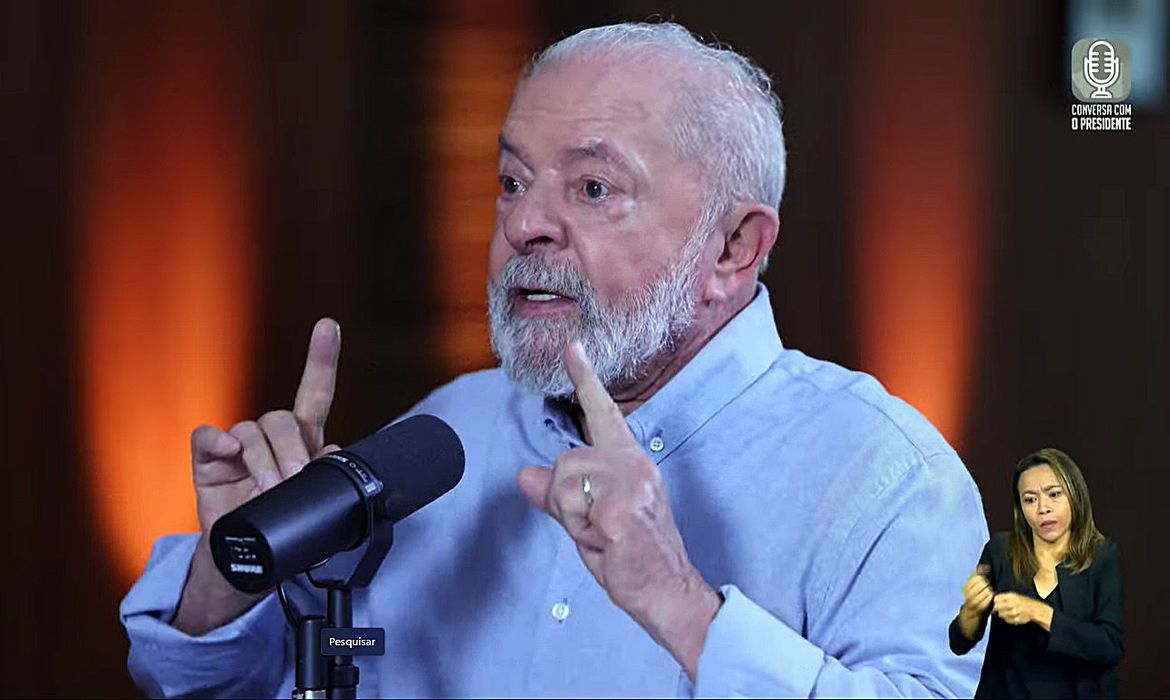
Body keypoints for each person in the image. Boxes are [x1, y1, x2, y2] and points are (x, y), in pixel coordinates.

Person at [121, 22, 989, 697]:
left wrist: (681, 606)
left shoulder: (886, 479)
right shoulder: (443, 435)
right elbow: (226, 684)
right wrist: (230, 575)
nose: (524, 225)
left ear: (733, 247)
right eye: (511, 182)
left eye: (593, 187)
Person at [949, 448, 1124, 698]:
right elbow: (959, 642)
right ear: (1020, 508)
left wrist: (1038, 613)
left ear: (1075, 495)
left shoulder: (1102, 556)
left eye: (1054, 494)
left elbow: (1110, 647)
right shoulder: (1000, 551)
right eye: (1030, 500)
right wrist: (971, 611)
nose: (1043, 508)